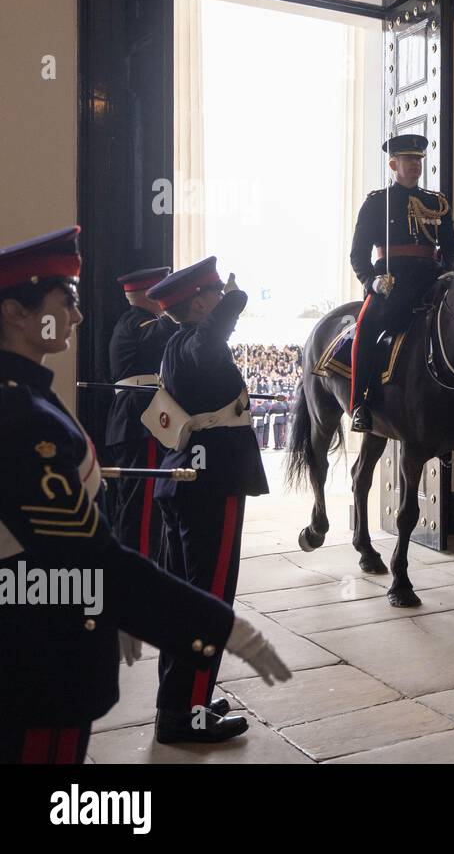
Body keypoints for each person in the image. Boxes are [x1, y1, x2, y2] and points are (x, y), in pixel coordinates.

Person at [0, 228, 289, 764]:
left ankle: (182, 704)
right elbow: (93, 560)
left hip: (54, 630)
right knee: (211, 587)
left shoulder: (33, 399)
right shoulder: (22, 417)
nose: (79, 316)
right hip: (40, 658)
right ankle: (185, 709)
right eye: (67, 299)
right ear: (16, 311)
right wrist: (218, 626)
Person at [146, 258, 270, 744]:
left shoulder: (177, 345)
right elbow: (211, 341)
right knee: (209, 600)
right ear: (199, 302)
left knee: (186, 600)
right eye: (215, 293)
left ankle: (178, 701)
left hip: (186, 485)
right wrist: (236, 302)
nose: (221, 297)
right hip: (210, 486)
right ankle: (186, 714)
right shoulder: (196, 344)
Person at [349, 134, 454, 431]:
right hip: (392, 282)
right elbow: (358, 254)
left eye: (418, 160)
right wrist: (372, 282)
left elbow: (451, 246)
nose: (415, 165)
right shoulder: (377, 203)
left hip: (431, 279)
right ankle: (361, 400)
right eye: (408, 160)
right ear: (393, 164)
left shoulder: (436, 203)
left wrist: (450, 270)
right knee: (367, 325)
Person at [103, 266, 175, 562]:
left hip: (134, 418)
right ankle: (141, 581)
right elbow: (159, 335)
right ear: (150, 295)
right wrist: (180, 304)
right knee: (142, 510)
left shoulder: (132, 322)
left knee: (134, 506)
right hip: (140, 418)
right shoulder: (137, 322)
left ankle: (130, 577)